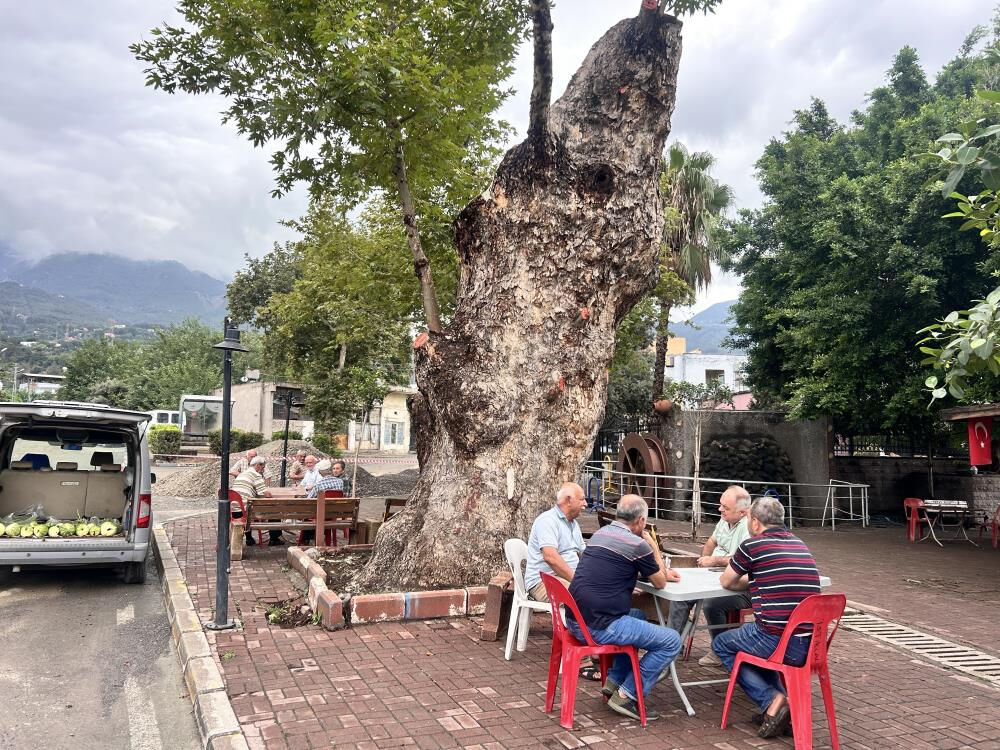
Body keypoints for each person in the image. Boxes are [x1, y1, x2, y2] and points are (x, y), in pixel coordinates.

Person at [567, 494, 682, 721]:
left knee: (637, 615)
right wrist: (653, 546)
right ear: (640, 521)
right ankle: (627, 694)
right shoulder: (638, 544)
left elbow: (616, 567)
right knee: (671, 641)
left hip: (575, 619)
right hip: (599, 626)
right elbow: (659, 582)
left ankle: (614, 680)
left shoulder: (601, 534)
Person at [714, 496, 821, 738]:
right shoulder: (800, 543)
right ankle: (782, 706)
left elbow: (726, 581)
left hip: (777, 640)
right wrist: (757, 578)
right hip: (811, 643)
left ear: (754, 522)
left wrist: (750, 579)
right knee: (756, 645)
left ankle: (772, 699)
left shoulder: (752, 546)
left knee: (721, 644)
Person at [667, 485, 752, 666]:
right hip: (714, 576)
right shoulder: (724, 520)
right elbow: (712, 541)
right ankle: (672, 646)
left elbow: (743, 562)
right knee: (680, 595)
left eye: (725, 507)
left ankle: (720, 650)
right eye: (721, 505)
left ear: (743, 512)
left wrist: (714, 561)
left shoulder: (748, 527)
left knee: (712, 603)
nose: (720, 509)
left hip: (740, 583)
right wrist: (703, 559)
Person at [231, 456, 283, 546]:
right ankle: (274, 539)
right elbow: (265, 493)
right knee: (274, 510)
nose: (263, 470)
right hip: (246, 511)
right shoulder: (256, 475)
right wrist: (272, 497)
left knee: (249, 505)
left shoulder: (242, 474)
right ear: (258, 465)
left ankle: (249, 539)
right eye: (263, 468)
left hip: (234, 510)